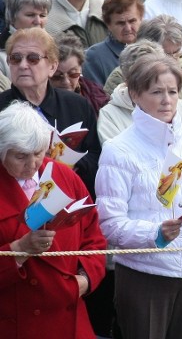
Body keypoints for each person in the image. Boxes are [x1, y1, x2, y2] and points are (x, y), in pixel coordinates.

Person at [95, 53, 182, 339]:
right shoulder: (119, 149)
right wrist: (155, 232)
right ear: (135, 95)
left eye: (172, 91)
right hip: (145, 274)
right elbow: (110, 224)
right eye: (156, 92)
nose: (166, 100)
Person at [0, 101, 106, 339]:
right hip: (14, 321)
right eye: (20, 156)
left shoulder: (63, 175)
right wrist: (18, 250)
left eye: (38, 152)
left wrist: (86, 280)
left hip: (67, 317)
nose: (32, 164)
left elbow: (94, 239)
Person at [0, 27, 101, 196]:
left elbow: (97, 158)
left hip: (69, 194)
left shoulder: (77, 105)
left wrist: (70, 163)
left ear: (53, 66)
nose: (23, 65)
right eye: (16, 58)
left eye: (33, 58)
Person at [82, 0, 144, 87]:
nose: (128, 28)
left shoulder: (154, 48)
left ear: (141, 19)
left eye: (132, 21)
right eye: (121, 23)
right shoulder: (94, 57)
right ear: (108, 25)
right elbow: (97, 97)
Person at [52, 32, 109, 117]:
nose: (66, 82)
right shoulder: (39, 101)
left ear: (81, 68)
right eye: (57, 76)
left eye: (73, 74)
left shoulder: (97, 96)